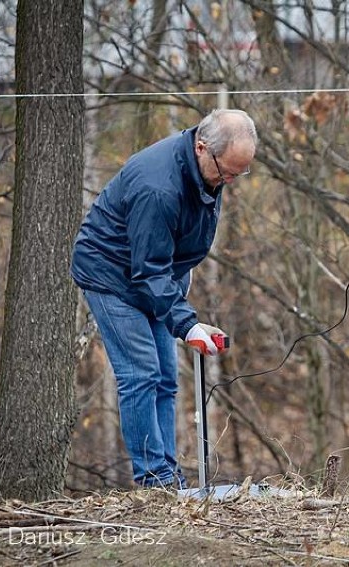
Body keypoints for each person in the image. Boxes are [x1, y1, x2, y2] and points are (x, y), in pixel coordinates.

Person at [71, 108, 258, 489]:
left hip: (155, 276)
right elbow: (149, 267)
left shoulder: (208, 170)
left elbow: (168, 253)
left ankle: (169, 476)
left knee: (166, 379)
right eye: (227, 173)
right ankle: (154, 481)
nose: (230, 181)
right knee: (141, 373)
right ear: (203, 148)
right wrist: (186, 323)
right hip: (112, 275)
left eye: (240, 173)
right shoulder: (158, 186)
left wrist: (180, 303)